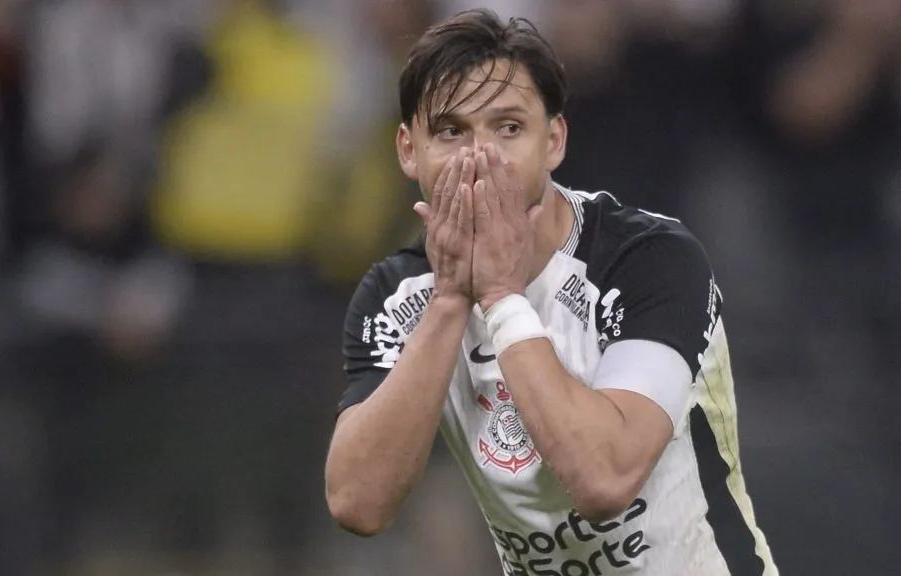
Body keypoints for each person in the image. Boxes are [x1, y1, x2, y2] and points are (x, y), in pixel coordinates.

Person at [324, 8, 779, 576]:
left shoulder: (649, 260)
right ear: (407, 150)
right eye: (449, 131)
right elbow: (357, 502)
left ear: (554, 140)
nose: (478, 158)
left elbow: (605, 478)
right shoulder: (397, 294)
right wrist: (447, 303)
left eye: (508, 128)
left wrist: (499, 296)